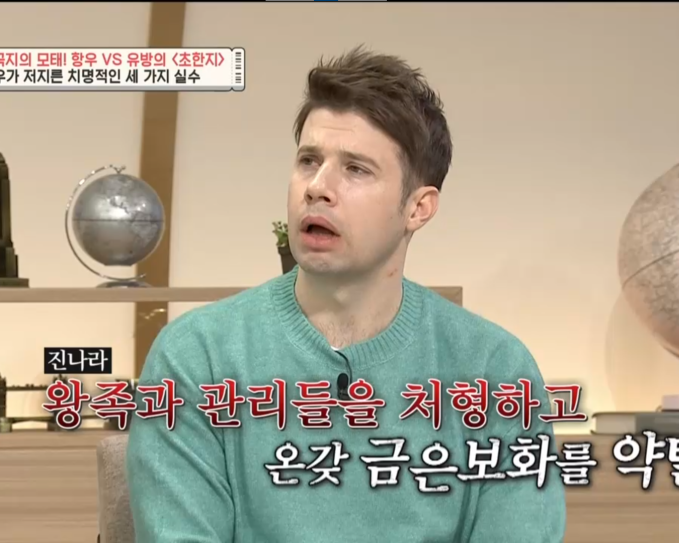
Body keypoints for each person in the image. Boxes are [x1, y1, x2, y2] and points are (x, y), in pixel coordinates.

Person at [126, 46, 567, 543]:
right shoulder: (196, 359)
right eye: (308, 161)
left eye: (356, 169)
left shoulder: (495, 370)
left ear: (418, 208)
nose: (317, 187)